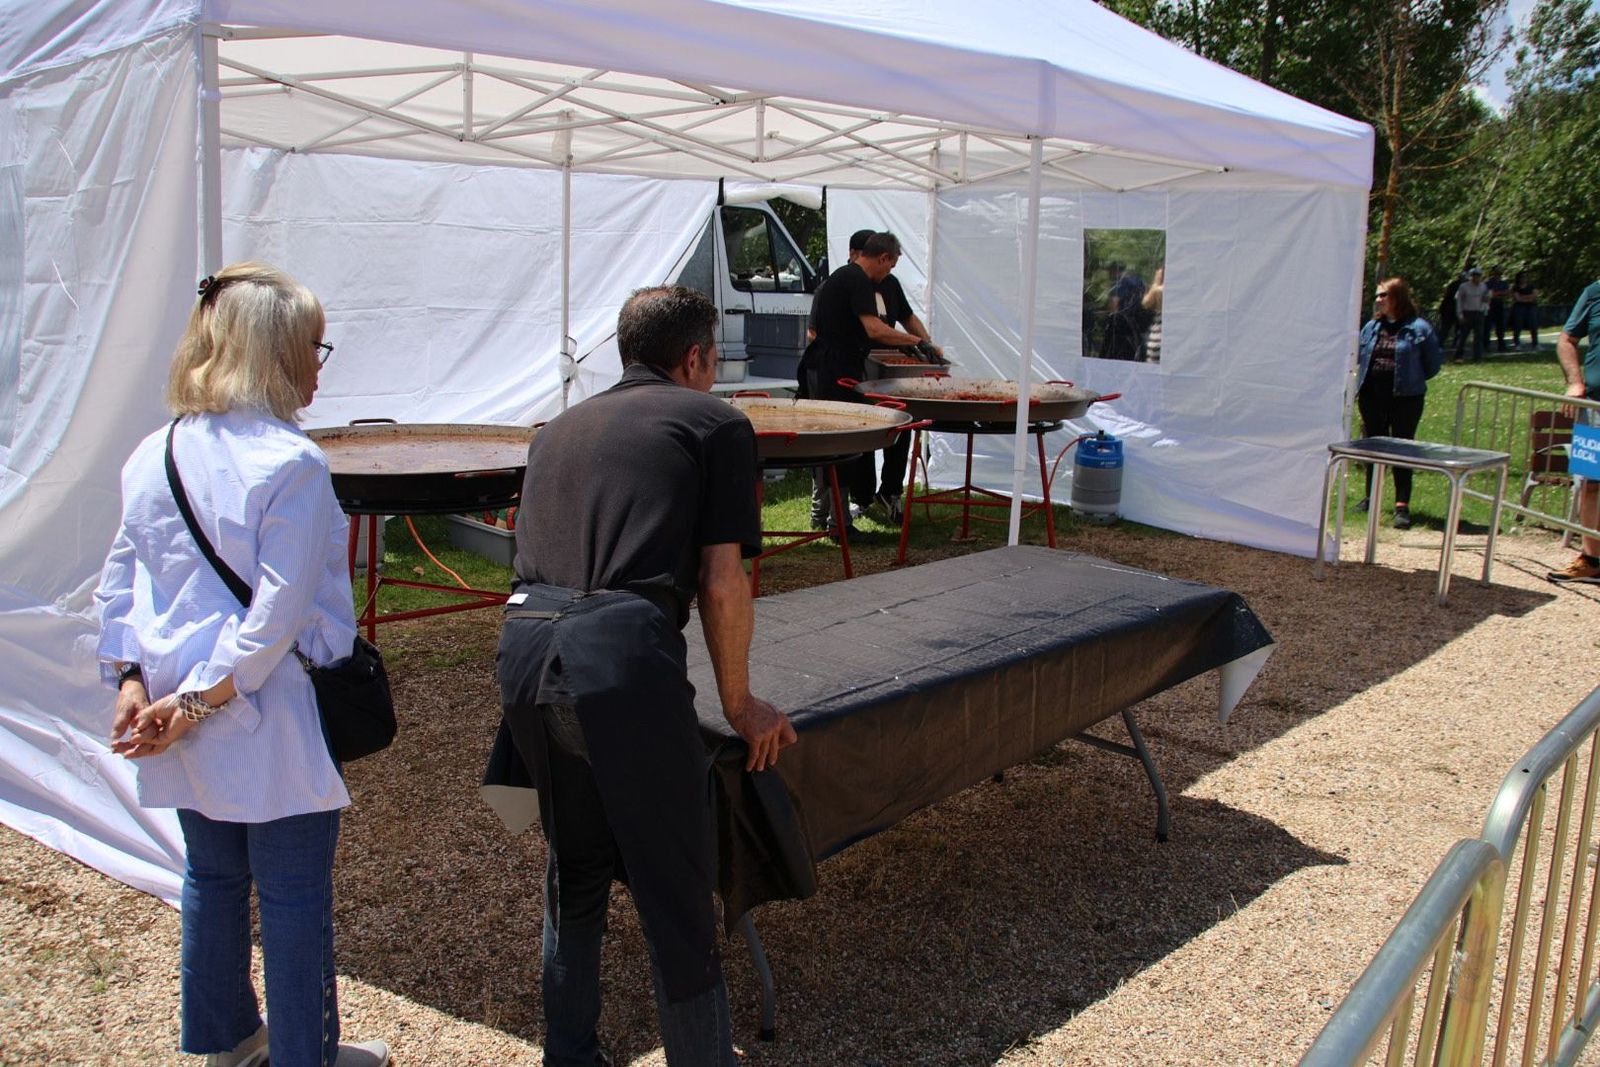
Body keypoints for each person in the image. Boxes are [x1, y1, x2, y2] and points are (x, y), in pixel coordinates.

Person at [95, 263, 389, 1067]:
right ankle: (305, 1055)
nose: (319, 364)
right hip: (264, 714)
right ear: (276, 351)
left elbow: (122, 578)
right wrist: (188, 704)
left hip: (179, 714)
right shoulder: (290, 463)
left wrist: (132, 681)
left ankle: (224, 1039)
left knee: (214, 880)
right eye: (312, 346)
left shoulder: (152, 452)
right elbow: (274, 620)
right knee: (293, 899)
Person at [494, 286, 798, 1065]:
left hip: (525, 647)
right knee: (674, 887)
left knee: (579, 865)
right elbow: (723, 581)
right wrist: (741, 703)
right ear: (695, 357)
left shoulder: (554, 430)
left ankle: (569, 1052)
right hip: (619, 658)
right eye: (714, 360)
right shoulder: (716, 423)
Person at [802, 231, 924, 532]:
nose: (889, 272)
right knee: (838, 440)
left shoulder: (851, 277)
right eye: (891, 265)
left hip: (837, 366)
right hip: (832, 369)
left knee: (839, 441)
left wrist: (915, 341)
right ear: (883, 258)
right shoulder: (854, 279)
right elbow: (874, 329)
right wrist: (916, 342)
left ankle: (833, 518)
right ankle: (836, 521)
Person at [1355, 277, 1444, 530]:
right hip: (1372, 395)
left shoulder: (1419, 328)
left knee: (1402, 448)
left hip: (1406, 399)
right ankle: (1371, 498)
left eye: (1383, 295)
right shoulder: (1371, 327)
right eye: (1377, 296)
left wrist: (1412, 380)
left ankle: (1401, 505)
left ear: (1397, 297)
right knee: (1373, 446)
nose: (1378, 300)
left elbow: (1433, 363)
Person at [1548, 279, 1600, 583]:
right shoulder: (1594, 292)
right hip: (1594, 405)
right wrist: (1575, 381)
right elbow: (1566, 339)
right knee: (1591, 482)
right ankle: (1591, 558)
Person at [1455, 267, 1489, 363]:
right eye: (1475, 276)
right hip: (1467, 313)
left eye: (1479, 276)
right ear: (1471, 276)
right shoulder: (1464, 287)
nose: (1477, 278)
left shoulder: (1483, 286)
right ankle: (1459, 356)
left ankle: (1477, 357)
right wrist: (1460, 315)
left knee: (1479, 336)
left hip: (1479, 313)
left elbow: (1485, 300)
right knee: (1463, 336)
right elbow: (1459, 301)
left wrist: (1485, 310)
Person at [1511, 271, 1540, 349]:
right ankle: (1517, 343)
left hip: (1531, 307)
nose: (1524, 278)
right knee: (1518, 325)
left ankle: (1535, 343)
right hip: (1519, 308)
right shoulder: (1516, 287)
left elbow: (1535, 295)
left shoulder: (1532, 286)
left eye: (1525, 277)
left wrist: (1523, 297)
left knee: (1533, 325)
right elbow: (1517, 298)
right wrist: (1529, 298)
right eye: (1522, 277)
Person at [1485, 265, 1511, 353]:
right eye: (1497, 271)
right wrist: (1500, 293)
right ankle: (1486, 346)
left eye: (1500, 271)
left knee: (1500, 326)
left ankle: (1501, 345)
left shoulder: (1504, 283)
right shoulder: (1488, 283)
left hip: (1500, 305)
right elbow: (1490, 295)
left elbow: (1508, 293)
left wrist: (1498, 293)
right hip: (1490, 306)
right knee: (1487, 327)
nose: (1498, 273)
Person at [1438, 272, 1463, 347]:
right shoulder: (1463, 286)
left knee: (1445, 328)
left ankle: (1440, 343)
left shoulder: (1452, 285)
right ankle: (1456, 343)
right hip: (1455, 309)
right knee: (1458, 328)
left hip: (1447, 309)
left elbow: (1446, 297)